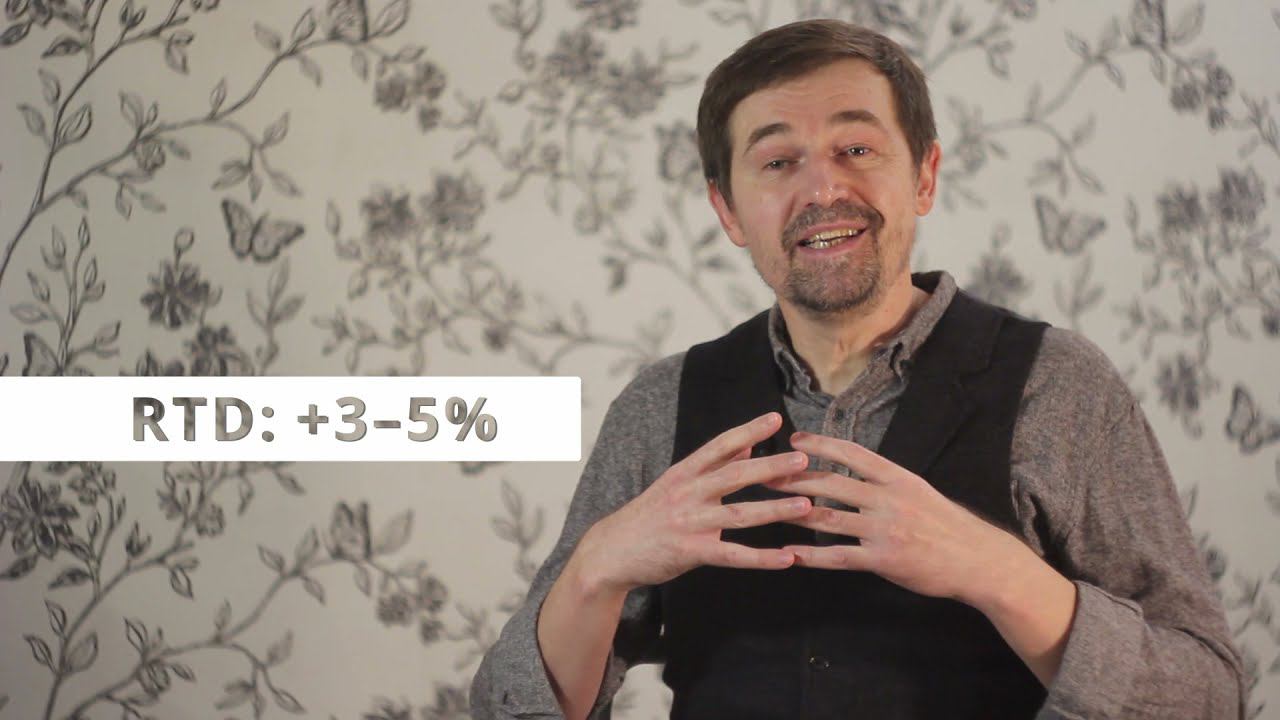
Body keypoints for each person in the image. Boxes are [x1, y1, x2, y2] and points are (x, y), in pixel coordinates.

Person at [470, 19, 1245, 720]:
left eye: (857, 149)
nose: (822, 189)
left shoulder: (1061, 385)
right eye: (778, 161)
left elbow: (1209, 697)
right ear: (728, 210)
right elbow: (507, 709)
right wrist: (595, 571)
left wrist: (1004, 575)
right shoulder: (660, 406)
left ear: (924, 176)